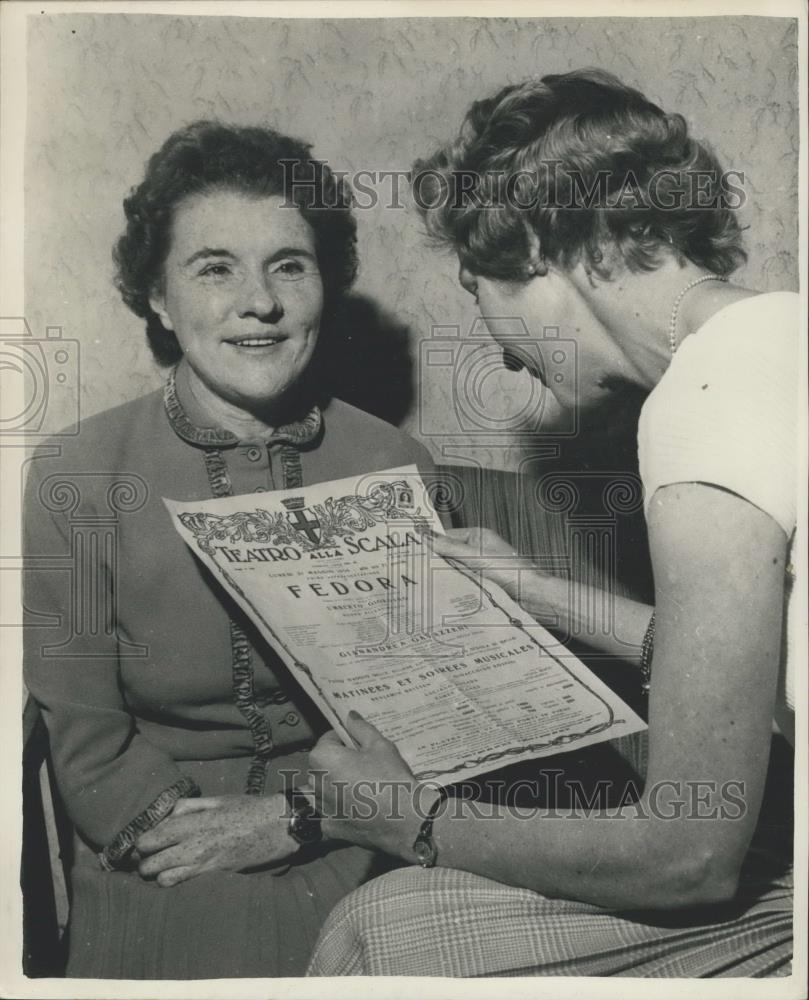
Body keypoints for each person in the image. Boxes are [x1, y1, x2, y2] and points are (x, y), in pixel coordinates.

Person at [305, 70, 798, 977]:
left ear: (533, 241)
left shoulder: (705, 402)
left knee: (383, 928)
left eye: (473, 284)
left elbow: (686, 856)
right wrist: (531, 588)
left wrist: (408, 818)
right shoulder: (776, 339)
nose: (494, 342)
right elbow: (756, 666)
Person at [23, 120, 433, 979]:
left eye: (289, 264)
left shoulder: (391, 464)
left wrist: (297, 820)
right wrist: (191, 835)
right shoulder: (78, 472)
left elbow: (429, 719)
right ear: (160, 301)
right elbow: (87, 739)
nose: (262, 303)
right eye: (216, 268)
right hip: (170, 844)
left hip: (364, 828)